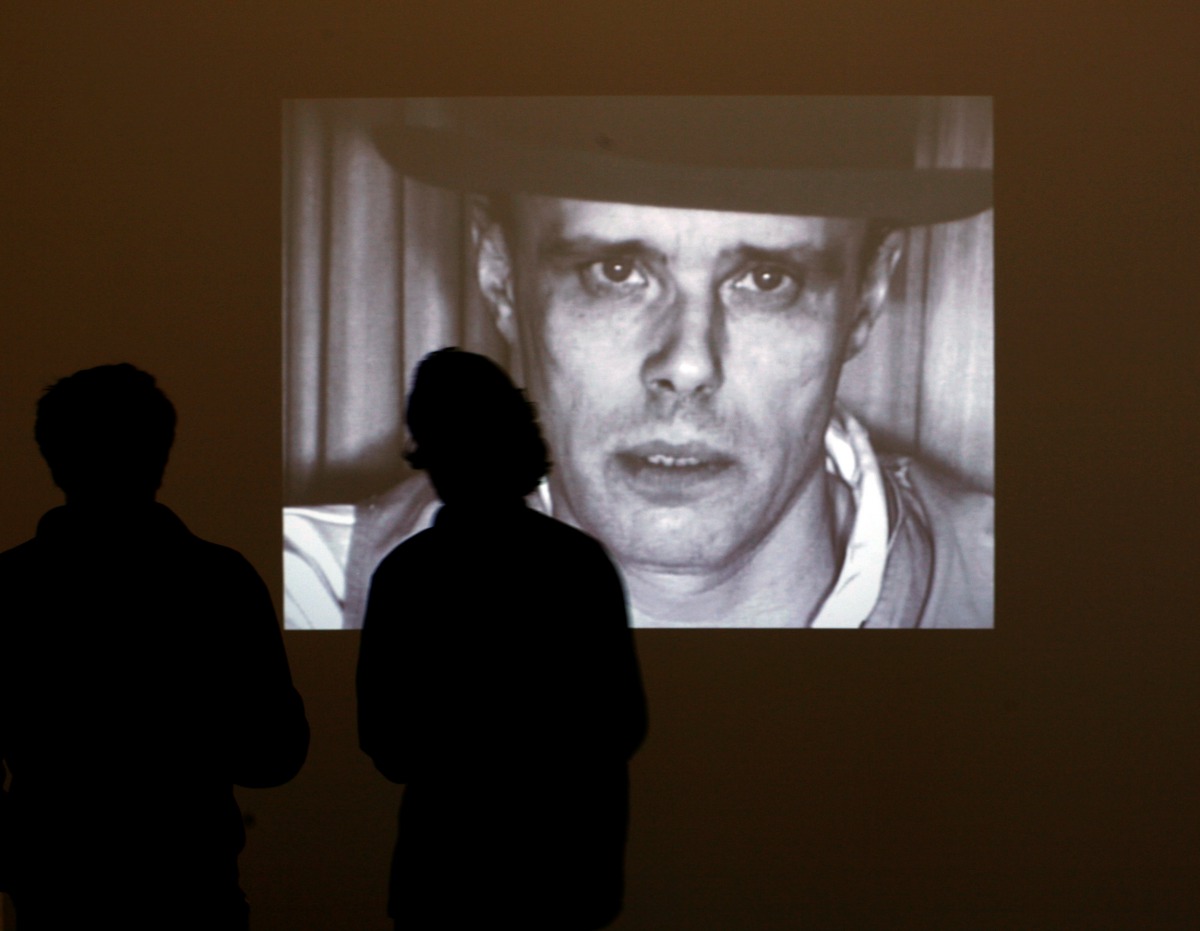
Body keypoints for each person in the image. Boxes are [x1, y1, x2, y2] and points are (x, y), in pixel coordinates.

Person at [285, 97, 994, 630]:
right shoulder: (294, 600)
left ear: (867, 297)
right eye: (616, 270)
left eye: (767, 281)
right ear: (499, 272)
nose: (686, 365)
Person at [0, 364, 309, 929]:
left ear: (53, 457)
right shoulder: (220, 581)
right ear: (161, 454)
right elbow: (275, 755)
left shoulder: (10, 588)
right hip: (192, 890)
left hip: (56, 896)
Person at [357, 348, 647, 929]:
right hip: (564, 881)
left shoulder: (407, 576)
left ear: (429, 447)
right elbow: (623, 723)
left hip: (445, 880)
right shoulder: (577, 567)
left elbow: (388, 745)